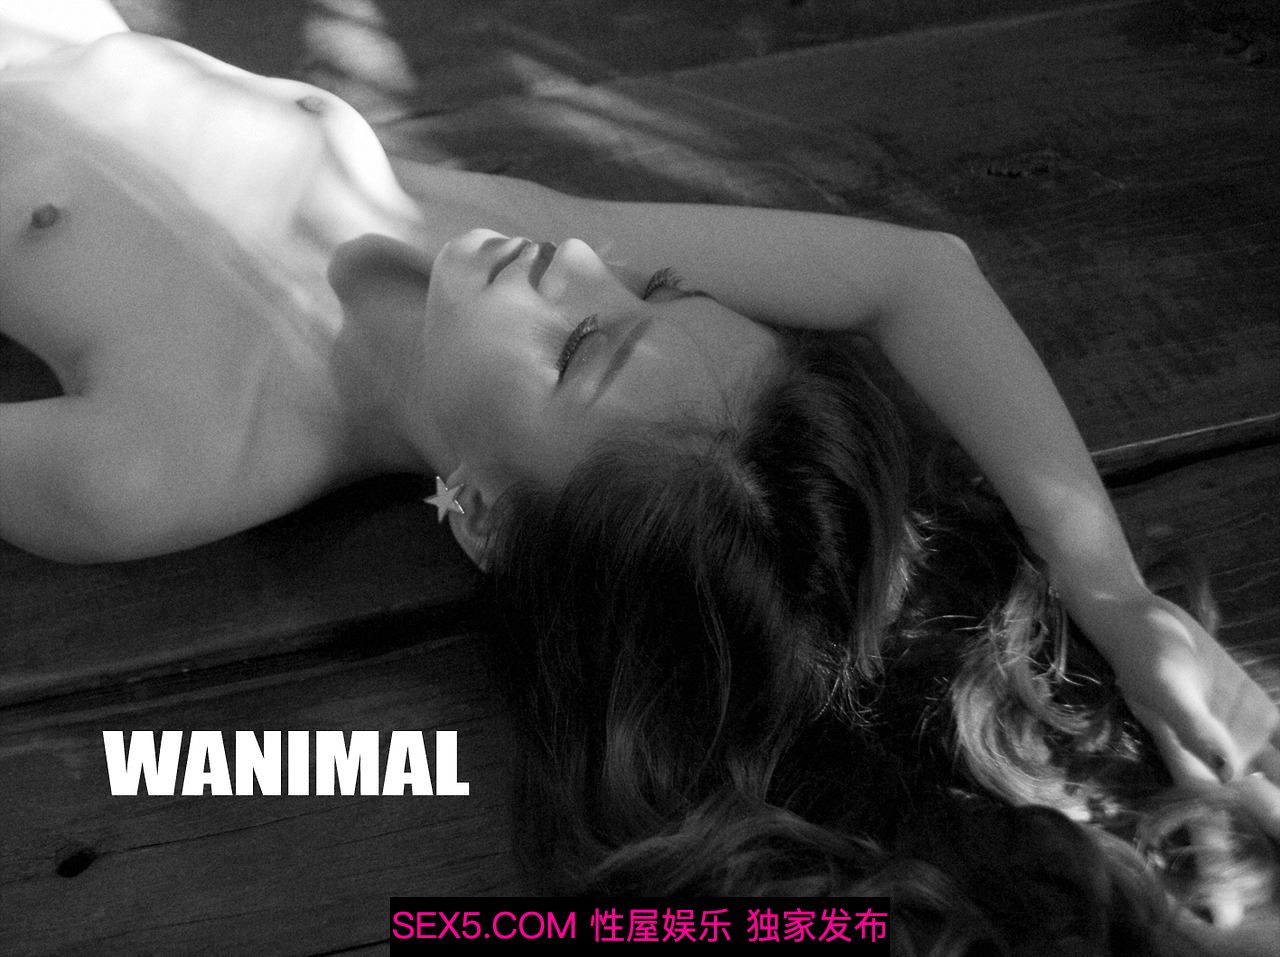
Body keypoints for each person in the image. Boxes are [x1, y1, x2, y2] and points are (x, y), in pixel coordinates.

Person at [1, 7, 1277, 951]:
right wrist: (1109, 594)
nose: (576, 262)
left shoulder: (167, 461)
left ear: (487, 517)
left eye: (579, 349)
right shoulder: (500, 236)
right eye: (650, 289)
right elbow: (917, 275)